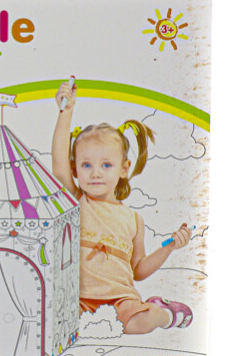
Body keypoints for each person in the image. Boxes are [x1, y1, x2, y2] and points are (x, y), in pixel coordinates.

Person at [51, 80, 193, 334]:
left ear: (124, 168)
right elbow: (59, 164)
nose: (95, 173)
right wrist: (66, 112)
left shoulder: (133, 219)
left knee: (143, 322)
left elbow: (138, 270)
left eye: (106, 165)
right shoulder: (77, 202)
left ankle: (164, 313)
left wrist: (169, 247)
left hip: (120, 300)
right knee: (52, 320)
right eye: (86, 165)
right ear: (75, 169)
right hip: (78, 299)